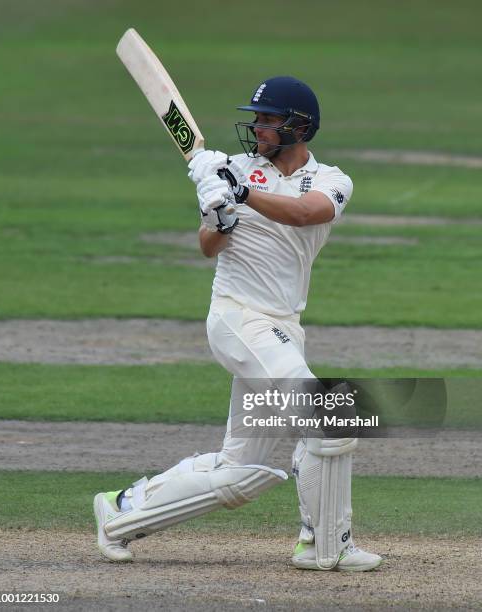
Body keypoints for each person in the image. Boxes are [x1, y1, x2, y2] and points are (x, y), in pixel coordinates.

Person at [93, 76, 381, 571]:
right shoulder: (230, 168)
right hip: (236, 317)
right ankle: (326, 546)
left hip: (282, 326)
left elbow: (305, 213)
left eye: (269, 119)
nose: (258, 127)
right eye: (257, 118)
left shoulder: (332, 179)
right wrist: (220, 218)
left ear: (301, 125)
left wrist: (241, 194)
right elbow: (208, 246)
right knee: (330, 419)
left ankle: (120, 511)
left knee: (245, 472)